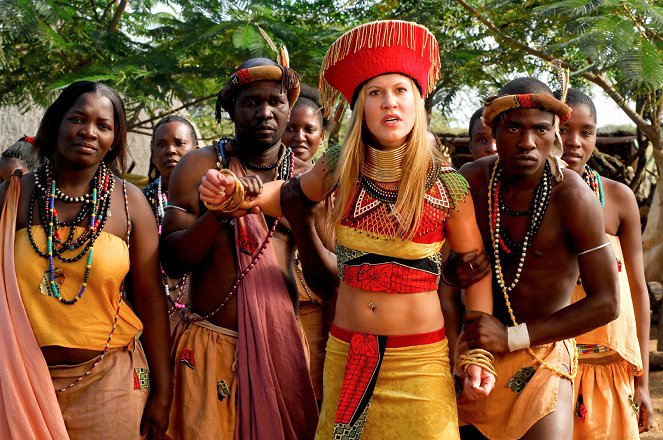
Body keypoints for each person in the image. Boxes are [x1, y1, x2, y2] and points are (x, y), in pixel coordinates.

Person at [201, 20, 496, 439]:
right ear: (361, 108)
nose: (389, 103)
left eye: (400, 91)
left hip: (420, 363)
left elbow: (474, 268)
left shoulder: (447, 186)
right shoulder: (340, 165)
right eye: (376, 93)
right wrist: (236, 194)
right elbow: (289, 196)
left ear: (417, 102)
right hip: (349, 352)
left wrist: (477, 353)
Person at [160, 56, 322, 439]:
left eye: (275, 101)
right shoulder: (199, 166)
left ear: (289, 108)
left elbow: (331, 282)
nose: (264, 112)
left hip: (280, 345)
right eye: (250, 102)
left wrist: (300, 217)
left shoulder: (307, 182)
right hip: (208, 346)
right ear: (230, 109)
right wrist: (218, 214)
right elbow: (172, 259)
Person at [0, 81, 171, 439]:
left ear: (114, 138)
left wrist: (163, 391)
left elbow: (152, 300)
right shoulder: (14, 196)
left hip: (109, 382)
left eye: (103, 125)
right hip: (19, 381)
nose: (88, 132)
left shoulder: (130, 203)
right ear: (56, 123)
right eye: (77, 118)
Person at [452, 77, 620, 440]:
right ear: (493, 128)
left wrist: (512, 337)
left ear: (555, 132)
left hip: (541, 355)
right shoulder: (472, 181)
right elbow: (441, 273)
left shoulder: (573, 198)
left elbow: (607, 302)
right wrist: (454, 271)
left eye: (540, 129)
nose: (527, 142)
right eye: (514, 127)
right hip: (473, 354)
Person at [554, 87, 653, 437]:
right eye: (564, 129)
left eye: (586, 131)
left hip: (612, 367)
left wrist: (641, 380)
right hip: (551, 364)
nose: (574, 142)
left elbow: (638, 290)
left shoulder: (617, 198)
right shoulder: (526, 200)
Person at [281, 83, 331, 404]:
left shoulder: (331, 186)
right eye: (290, 128)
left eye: (308, 129)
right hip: (268, 309)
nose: (299, 137)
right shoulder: (260, 178)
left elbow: (335, 253)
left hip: (315, 316)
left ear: (321, 137)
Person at [143, 115, 198, 330]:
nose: (170, 150)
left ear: (196, 149)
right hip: (154, 311)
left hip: (203, 312)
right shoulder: (139, 201)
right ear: (153, 152)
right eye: (161, 144)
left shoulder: (213, 198)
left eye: (179, 143)